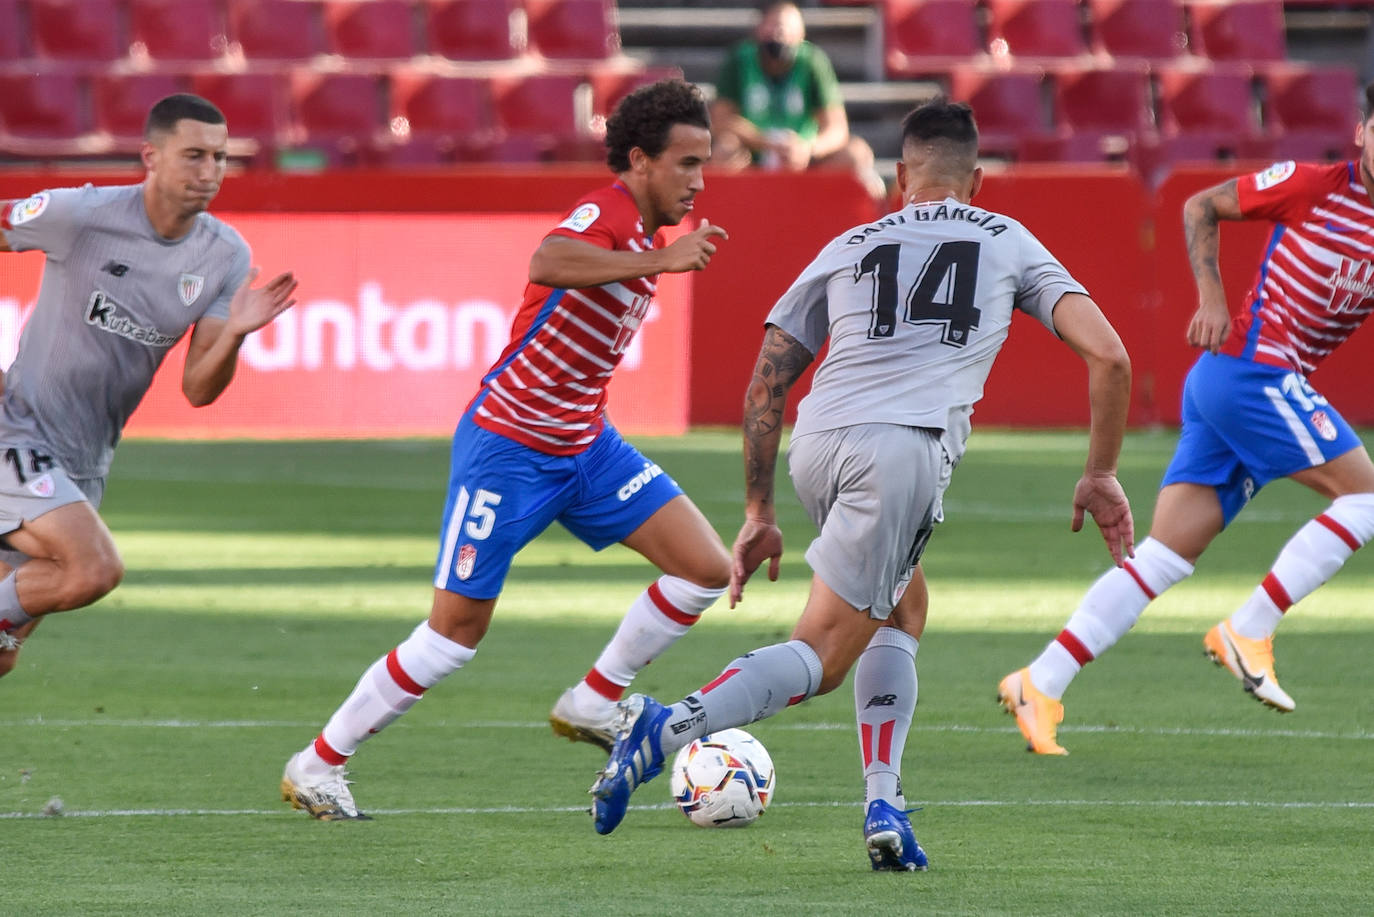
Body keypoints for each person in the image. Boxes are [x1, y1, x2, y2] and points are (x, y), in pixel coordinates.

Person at [586, 98, 1134, 870]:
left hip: (819, 441)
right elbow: (1109, 356)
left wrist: (758, 508)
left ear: (899, 176)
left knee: (904, 603)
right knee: (824, 652)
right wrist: (1101, 472)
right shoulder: (1008, 238)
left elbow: (770, 374)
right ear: (976, 180)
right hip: (900, 451)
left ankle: (885, 803)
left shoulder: (850, 242)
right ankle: (666, 727)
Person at [279, 79, 734, 821]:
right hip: (509, 448)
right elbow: (549, 260)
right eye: (686, 163)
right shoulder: (610, 213)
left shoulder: (651, 237)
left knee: (706, 568)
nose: (699, 179)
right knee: (455, 633)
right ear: (641, 161)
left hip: (589, 446)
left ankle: (593, 699)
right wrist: (659, 263)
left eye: (704, 163)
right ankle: (318, 763)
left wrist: (659, 257)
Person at [998, 84, 1374, 756]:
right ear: (1362, 132)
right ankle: (1250, 627)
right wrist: (1212, 297)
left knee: (1165, 556)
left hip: (1241, 386)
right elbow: (1201, 204)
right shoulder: (1315, 185)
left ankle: (1040, 680)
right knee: (1366, 496)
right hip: (1252, 371)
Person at [0, 93, 298, 678]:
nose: (209, 172)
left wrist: (235, 332)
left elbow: (198, 388)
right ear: (151, 157)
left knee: (2, 658)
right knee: (92, 570)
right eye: (193, 155)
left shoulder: (225, 255)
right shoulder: (81, 215)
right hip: (18, 430)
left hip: (84, 459)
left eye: (219, 157)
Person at [710, 1, 888, 202]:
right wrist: (766, 142)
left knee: (856, 154)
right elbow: (721, 120)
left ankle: (824, 213)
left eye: (786, 28)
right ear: (758, 30)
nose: (778, 34)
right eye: (772, 26)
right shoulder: (739, 60)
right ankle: (733, 213)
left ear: (801, 35)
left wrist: (807, 149)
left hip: (803, 158)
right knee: (724, 150)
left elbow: (837, 128)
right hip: (754, 153)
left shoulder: (813, 62)